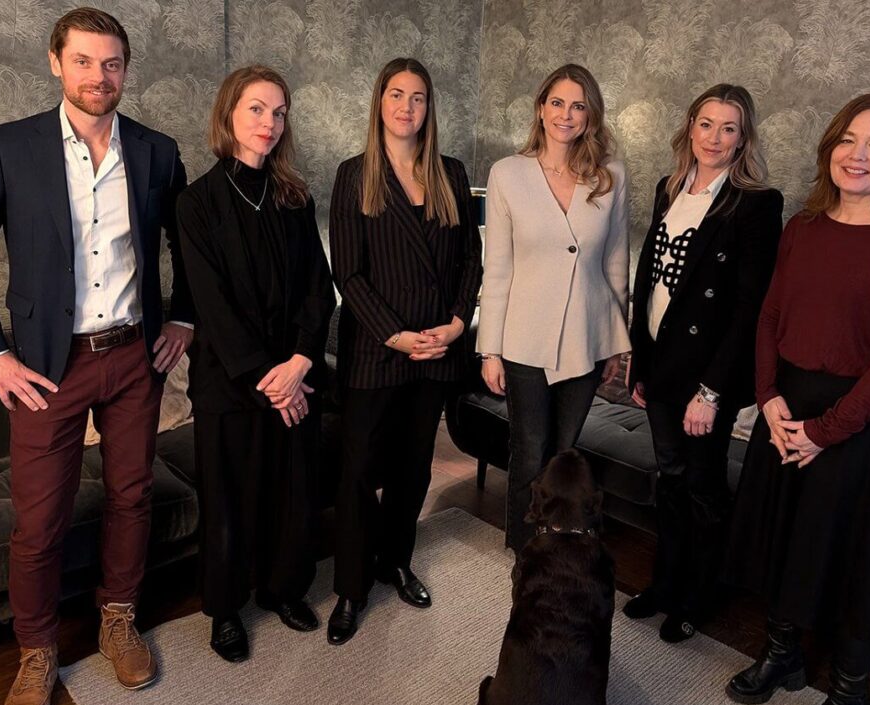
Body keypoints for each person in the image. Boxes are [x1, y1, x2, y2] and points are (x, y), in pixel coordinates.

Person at [0, 7, 193, 705]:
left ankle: (118, 616)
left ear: (125, 70)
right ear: (56, 62)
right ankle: (36, 650)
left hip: (134, 355)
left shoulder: (154, 150)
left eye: (111, 63)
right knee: (39, 520)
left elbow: (190, 242)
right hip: (48, 365)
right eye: (83, 61)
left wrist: (183, 316)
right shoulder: (8, 147)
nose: (98, 76)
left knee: (132, 494)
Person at [723, 93, 870, 705]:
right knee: (784, 540)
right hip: (786, 409)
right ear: (830, 148)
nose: (860, 155)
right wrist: (768, 400)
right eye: (850, 140)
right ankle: (783, 656)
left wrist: (824, 432)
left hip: (857, 425)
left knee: (851, 567)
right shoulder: (803, 228)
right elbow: (769, 317)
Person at [175, 66, 334, 662]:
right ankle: (224, 610)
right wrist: (272, 381)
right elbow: (211, 307)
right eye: (256, 110)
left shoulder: (295, 198)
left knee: (291, 491)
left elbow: (319, 288)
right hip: (230, 383)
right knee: (230, 501)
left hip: (294, 372)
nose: (269, 124)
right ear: (229, 115)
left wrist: (299, 362)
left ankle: (282, 589)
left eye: (279, 113)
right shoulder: (196, 203)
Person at [327, 57, 482, 645]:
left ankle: (396, 561)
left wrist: (457, 323)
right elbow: (349, 272)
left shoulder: (450, 171)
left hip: (437, 348)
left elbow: (472, 258)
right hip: (376, 347)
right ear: (379, 101)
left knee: (415, 466)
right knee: (361, 471)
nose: (406, 107)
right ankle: (350, 587)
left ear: (428, 108)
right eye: (396, 94)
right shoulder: (353, 174)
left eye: (418, 98)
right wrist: (393, 333)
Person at [622, 84, 783, 643]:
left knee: (702, 485)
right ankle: (666, 582)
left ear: (743, 139)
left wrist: (712, 391)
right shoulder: (670, 188)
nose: (715, 138)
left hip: (706, 375)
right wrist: (640, 364)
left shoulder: (757, 204)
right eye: (706, 124)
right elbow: (650, 285)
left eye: (729, 128)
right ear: (690, 128)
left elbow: (749, 307)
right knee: (668, 477)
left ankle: (700, 596)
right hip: (662, 366)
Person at [476, 64, 630, 553]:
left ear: (591, 116)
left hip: (588, 336)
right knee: (528, 454)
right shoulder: (507, 173)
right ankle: (525, 554)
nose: (567, 114)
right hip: (523, 340)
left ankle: (557, 546)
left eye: (579, 105)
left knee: (564, 455)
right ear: (541, 108)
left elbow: (616, 262)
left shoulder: (611, 176)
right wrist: (489, 351)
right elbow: (497, 268)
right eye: (558, 103)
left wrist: (617, 345)